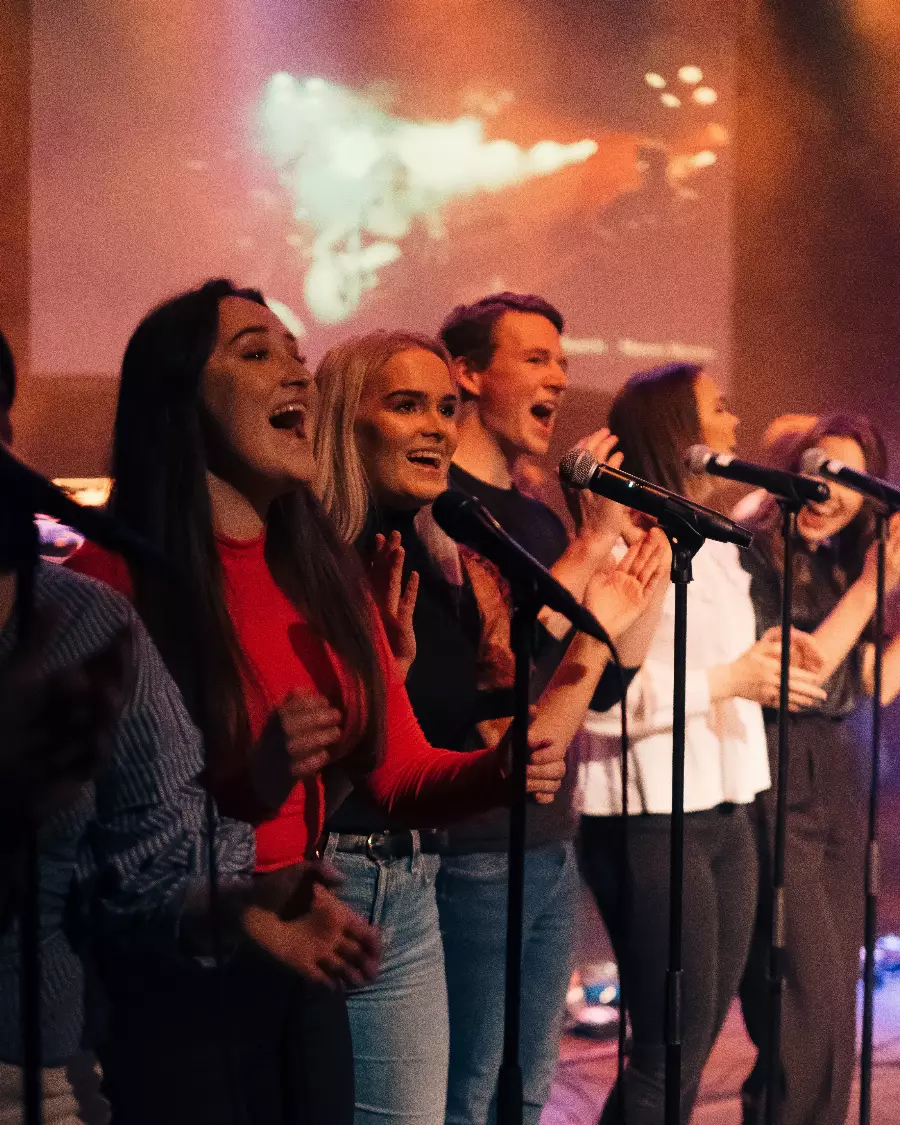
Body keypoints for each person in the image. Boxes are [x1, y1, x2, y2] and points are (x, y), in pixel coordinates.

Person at [68, 280, 567, 1125]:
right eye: (256, 353)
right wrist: (251, 786)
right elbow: (88, 846)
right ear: (177, 394)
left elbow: (396, 773)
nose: (298, 374)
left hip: (312, 946)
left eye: (298, 356)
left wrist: (497, 772)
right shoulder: (106, 583)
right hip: (179, 980)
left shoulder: (324, 571)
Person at [313, 328, 669, 1125]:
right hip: (370, 868)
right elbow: (451, 731)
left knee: (509, 1094)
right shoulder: (331, 556)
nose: (437, 426)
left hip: (435, 857)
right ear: (343, 416)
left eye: (444, 408)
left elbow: (502, 728)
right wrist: (589, 619)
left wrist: (608, 620)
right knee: (463, 1101)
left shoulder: (444, 543)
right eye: (409, 405)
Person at [436, 292, 668, 1124]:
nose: (560, 378)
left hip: (549, 837)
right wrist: (589, 546)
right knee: (467, 1090)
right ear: (468, 373)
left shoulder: (536, 520)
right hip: (468, 845)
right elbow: (488, 669)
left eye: (563, 362)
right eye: (535, 358)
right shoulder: (441, 506)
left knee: (528, 1086)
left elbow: (597, 685)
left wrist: (644, 569)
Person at [574, 364, 828, 1124]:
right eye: (718, 407)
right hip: (650, 817)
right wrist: (729, 679)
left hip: (727, 805)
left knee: (696, 1041)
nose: (733, 420)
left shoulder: (716, 544)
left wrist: (763, 657)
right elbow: (598, 704)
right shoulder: (627, 545)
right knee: (666, 1053)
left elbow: (714, 663)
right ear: (679, 433)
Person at [738, 414, 900, 1125]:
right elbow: (797, 676)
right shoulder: (749, 554)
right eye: (821, 469)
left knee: (833, 1013)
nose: (830, 492)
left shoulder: (835, 562)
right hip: (778, 786)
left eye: (850, 479)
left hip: (840, 785)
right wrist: (872, 588)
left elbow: (868, 682)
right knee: (804, 1012)